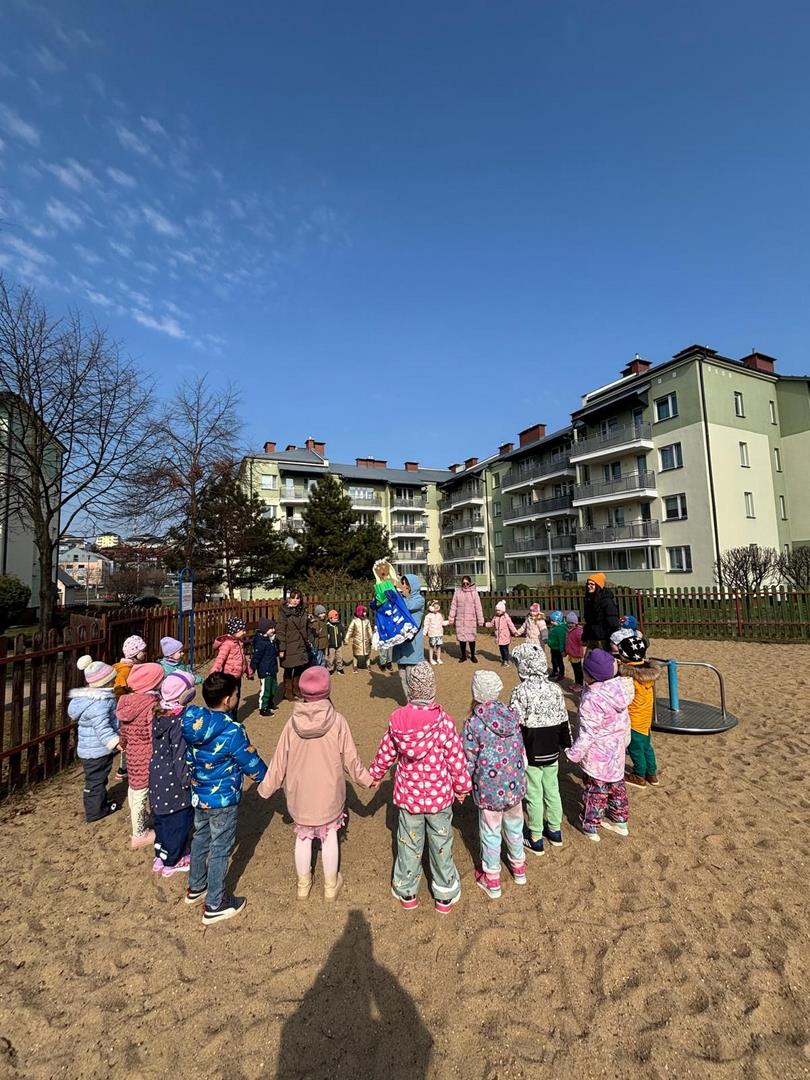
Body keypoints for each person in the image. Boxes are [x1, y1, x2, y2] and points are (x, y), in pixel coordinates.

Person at [257, 667, 374, 901]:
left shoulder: (292, 723)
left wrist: (266, 787)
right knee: (330, 837)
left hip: (300, 794)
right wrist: (366, 779)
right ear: (327, 689)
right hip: (329, 793)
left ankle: (303, 885)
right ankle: (330, 885)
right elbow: (350, 759)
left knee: (303, 838)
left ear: (303, 692)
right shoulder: (337, 721)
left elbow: (279, 759)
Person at [368, 662, 471, 913]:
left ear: (410, 690)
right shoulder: (443, 722)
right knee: (441, 843)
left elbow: (386, 752)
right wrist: (462, 787)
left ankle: (407, 891)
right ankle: (444, 893)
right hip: (438, 797)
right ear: (432, 689)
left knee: (408, 844)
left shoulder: (398, 720)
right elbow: (456, 759)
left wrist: (376, 773)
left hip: (409, 798)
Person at [182, 671, 269, 925]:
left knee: (201, 838)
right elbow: (249, 760)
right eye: (237, 695)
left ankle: (196, 885)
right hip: (223, 799)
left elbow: (189, 757)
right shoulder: (232, 731)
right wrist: (266, 777)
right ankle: (215, 903)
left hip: (200, 793)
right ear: (228, 699)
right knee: (220, 847)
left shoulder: (193, 725)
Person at [462, 670, 527, 900]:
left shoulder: (473, 723)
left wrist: (463, 783)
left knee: (491, 832)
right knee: (515, 826)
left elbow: (468, 758)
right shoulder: (511, 716)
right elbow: (521, 749)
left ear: (475, 692)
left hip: (489, 789)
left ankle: (492, 880)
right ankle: (519, 869)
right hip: (514, 785)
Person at [509, 643, 571, 854]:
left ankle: (535, 836)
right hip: (552, 749)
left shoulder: (520, 691)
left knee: (534, 793)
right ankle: (554, 830)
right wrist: (567, 744)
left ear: (523, 667)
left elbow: (514, 724)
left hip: (531, 749)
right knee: (552, 788)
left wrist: (513, 751)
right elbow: (563, 719)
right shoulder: (555, 689)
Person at [566, 649, 634, 841]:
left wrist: (574, 753)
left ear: (590, 675)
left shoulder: (593, 699)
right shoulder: (619, 689)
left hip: (598, 753)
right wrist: (625, 742)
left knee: (595, 789)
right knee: (617, 786)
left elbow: (588, 733)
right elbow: (625, 721)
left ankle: (591, 825)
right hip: (616, 750)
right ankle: (620, 821)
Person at [150, 671, 196, 876]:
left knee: (162, 819)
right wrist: (187, 780)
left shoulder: (159, 714)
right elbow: (180, 755)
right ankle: (173, 861)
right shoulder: (178, 722)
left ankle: (160, 854)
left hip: (157, 774)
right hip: (173, 780)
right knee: (178, 821)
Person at [117, 662, 164, 851]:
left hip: (133, 754)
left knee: (134, 789)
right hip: (147, 755)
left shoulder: (128, 703)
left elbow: (124, 729)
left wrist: (123, 742)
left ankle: (142, 820)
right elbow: (154, 731)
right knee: (141, 793)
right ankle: (139, 834)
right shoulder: (150, 705)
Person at [68, 655, 120, 822]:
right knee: (96, 781)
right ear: (105, 683)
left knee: (96, 779)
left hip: (89, 749)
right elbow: (102, 728)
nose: (115, 683)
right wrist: (115, 742)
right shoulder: (99, 704)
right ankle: (96, 812)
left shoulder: (89, 699)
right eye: (112, 680)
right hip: (97, 751)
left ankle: (99, 804)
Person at [617, 634, 664, 788]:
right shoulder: (648, 675)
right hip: (645, 718)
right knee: (647, 746)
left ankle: (639, 775)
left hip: (634, 719)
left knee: (635, 749)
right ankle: (652, 774)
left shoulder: (629, 676)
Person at [112, 634, 146, 781]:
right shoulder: (125, 670)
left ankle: (125, 767)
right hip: (126, 709)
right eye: (142, 651)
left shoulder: (126, 667)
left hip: (127, 708)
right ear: (135, 653)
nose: (145, 653)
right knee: (127, 738)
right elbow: (119, 689)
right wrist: (128, 695)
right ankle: (123, 768)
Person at [371, 558, 418, 654]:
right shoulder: (378, 587)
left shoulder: (393, 583)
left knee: (398, 621)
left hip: (395, 609)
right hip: (385, 612)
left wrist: (402, 592)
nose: (382, 570)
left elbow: (403, 595)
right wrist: (378, 600)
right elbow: (374, 604)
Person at [210, 617, 253, 719]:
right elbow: (220, 659)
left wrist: (249, 671)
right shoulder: (227, 644)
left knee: (236, 696)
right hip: (229, 676)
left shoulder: (239, 642)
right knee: (229, 698)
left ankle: (234, 717)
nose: (244, 632)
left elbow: (243, 659)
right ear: (235, 631)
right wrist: (214, 672)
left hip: (237, 676)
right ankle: (228, 718)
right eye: (242, 630)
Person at [392, 574, 426, 699]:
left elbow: (406, 606)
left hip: (412, 645)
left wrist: (399, 593)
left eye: (407, 583)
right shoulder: (400, 598)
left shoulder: (419, 599)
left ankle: (416, 702)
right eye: (402, 583)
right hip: (400, 644)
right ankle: (409, 703)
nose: (404, 586)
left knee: (412, 677)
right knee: (402, 677)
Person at [276, 590, 311, 701]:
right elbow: (280, 630)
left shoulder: (302, 611)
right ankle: (288, 692)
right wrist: (282, 648)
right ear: (289, 599)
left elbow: (305, 628)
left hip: (301, 643)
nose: (295, 600)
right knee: (288, 669)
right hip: (289, 645)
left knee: (299, 668)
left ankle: (296, 689)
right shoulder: (284, 613)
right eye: (293, 598)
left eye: (297, 598)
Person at [449, 575, 484, 663]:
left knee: (472, 638)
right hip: (460, 619)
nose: (465, 585)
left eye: (467, 583)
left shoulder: (474, 593)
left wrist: (480, 620)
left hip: (470, 619)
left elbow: (478, 607)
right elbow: (454, 606)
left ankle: (472, 656)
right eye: (463, 583)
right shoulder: (457, 593)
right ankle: (463, 656)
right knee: (462, 639)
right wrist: (451, 618)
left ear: (470, 583)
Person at [582, 573, 620, 649]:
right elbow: (589, 622)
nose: (589, 586)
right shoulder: (589, 600)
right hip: (592, 637)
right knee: (589, 656)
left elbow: (612, 622)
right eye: (588, 584)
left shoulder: (607, 601)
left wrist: (612, 640)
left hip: (603, 639)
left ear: (598, 585)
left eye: (592, 584)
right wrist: (585, 636)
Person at [251, 617, 279, 716]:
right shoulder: (261, 642)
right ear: (265, 629)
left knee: (273, 687)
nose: (273, 630)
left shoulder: (269, 640)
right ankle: (263, 708)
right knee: (265, 690)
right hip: (265, 669)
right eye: (271, 628)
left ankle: (270, 702)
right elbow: (256, 657)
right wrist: (252, 668)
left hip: (272, 668)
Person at [486, 600, 518, 666]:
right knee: (501, 649)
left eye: (499, 610)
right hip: (499, 637)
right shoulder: (495, 617)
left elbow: (511, 625)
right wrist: (485, 624)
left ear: (503, 610)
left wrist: (514, 631)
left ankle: (506, 660)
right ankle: (503, 659)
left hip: (505, 636)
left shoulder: (506, 617)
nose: (497, 612)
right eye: (497, 610)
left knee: (505, 649)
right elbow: (492, 624)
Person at [344, 604, 373, 672]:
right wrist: (346, 639)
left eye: (365, 612)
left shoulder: (367, 621)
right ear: (360, 612)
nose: (365, 613)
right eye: (363, 612)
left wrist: (371, 639)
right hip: (357, 641)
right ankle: (355, 666)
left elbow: (370, 631)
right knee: (356, 654)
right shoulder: (354, 621)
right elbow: (350, 630)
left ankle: (368, 665)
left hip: (366, 640)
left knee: (367, 653)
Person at [422, 599, 449, 665]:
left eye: (437, 607)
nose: (437, 608)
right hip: (432, 634)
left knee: (439, 646)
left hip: (439, 634)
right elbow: (426, 625)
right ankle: (431, 659)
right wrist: (424, 633)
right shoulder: (428, 616)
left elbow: (442, 623)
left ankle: (438, 658)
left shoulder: (440, 615)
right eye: (435, 607)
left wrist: (449, 622)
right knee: (431, 646)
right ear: (431, 608)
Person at [565, 611, 585, 689]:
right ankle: (577, 683)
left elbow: (582, 641)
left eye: (572, 623)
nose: (570, 625)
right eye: (568, 623)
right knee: (575, 669)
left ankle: (580, 684)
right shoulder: (568, 630)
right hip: (571, 653)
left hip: (576, 653)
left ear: (576, 623)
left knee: (578, 670)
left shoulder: (578, 631)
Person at [547, 610, 567, 680]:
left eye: (553, 621)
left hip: (558, 649)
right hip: (553, 647)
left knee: (559, 662)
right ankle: (555, 671)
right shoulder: (554, 627)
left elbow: (561, 641)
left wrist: (562, 650)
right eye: (551, 620)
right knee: (553, 661)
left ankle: (561, 673)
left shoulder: (560, 629)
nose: (551, 622)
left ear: (558, 621)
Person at [325, 609, 345, 675]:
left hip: (339, 644)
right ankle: (330, 669)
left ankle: (340, 668)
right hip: (331, 645)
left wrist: (343, 638)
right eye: (334, 618)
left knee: (339, 657)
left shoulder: (339, 624)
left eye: (337, 618)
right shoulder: (328, 626)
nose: (336, 619)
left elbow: (343, 632)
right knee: (331, 658)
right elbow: (326, 635)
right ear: (330, 618)